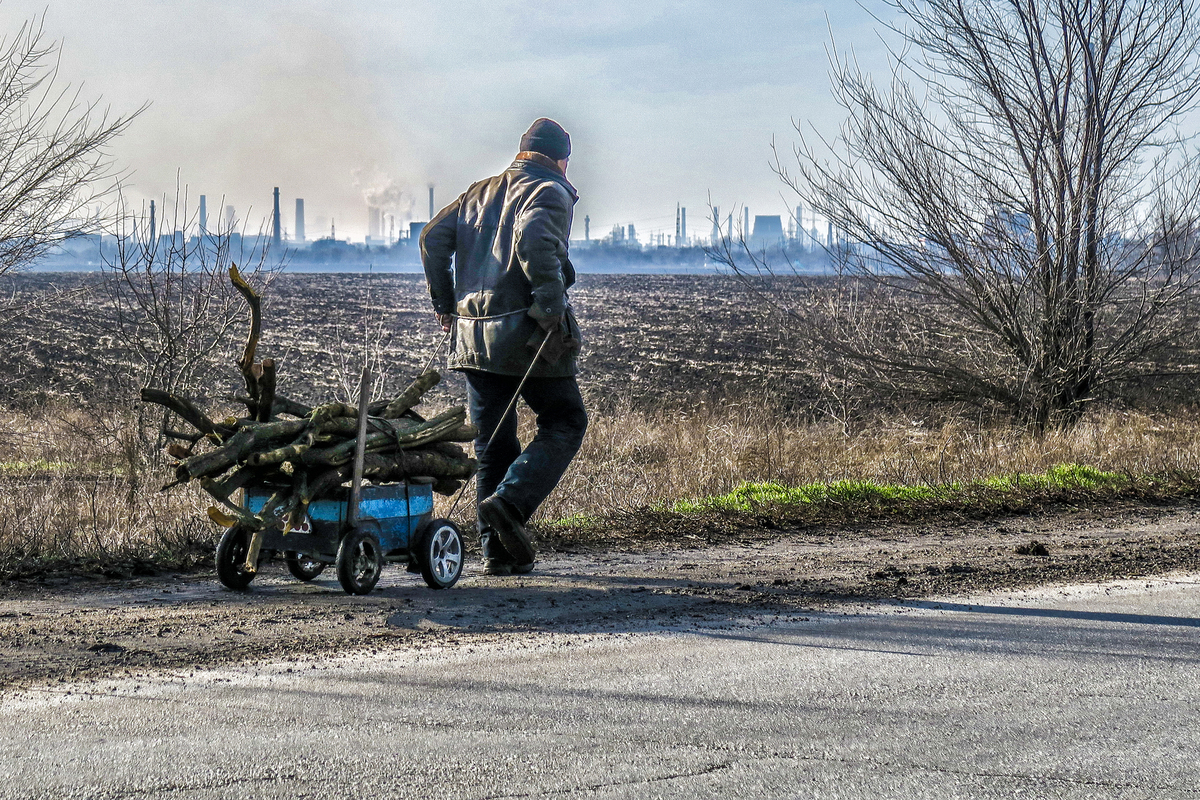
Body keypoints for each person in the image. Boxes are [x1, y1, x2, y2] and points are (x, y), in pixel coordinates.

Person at [421, 118, 587, 576]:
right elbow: (535, 239)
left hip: (472, 339)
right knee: (566, 420)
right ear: (561, 159)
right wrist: (550, 307)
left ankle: (497, 552)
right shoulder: (549, 190)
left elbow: (431, 239)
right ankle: (510, 504)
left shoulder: (478, 192)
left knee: (493, 443)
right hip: (526, 335)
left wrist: (446, 304)